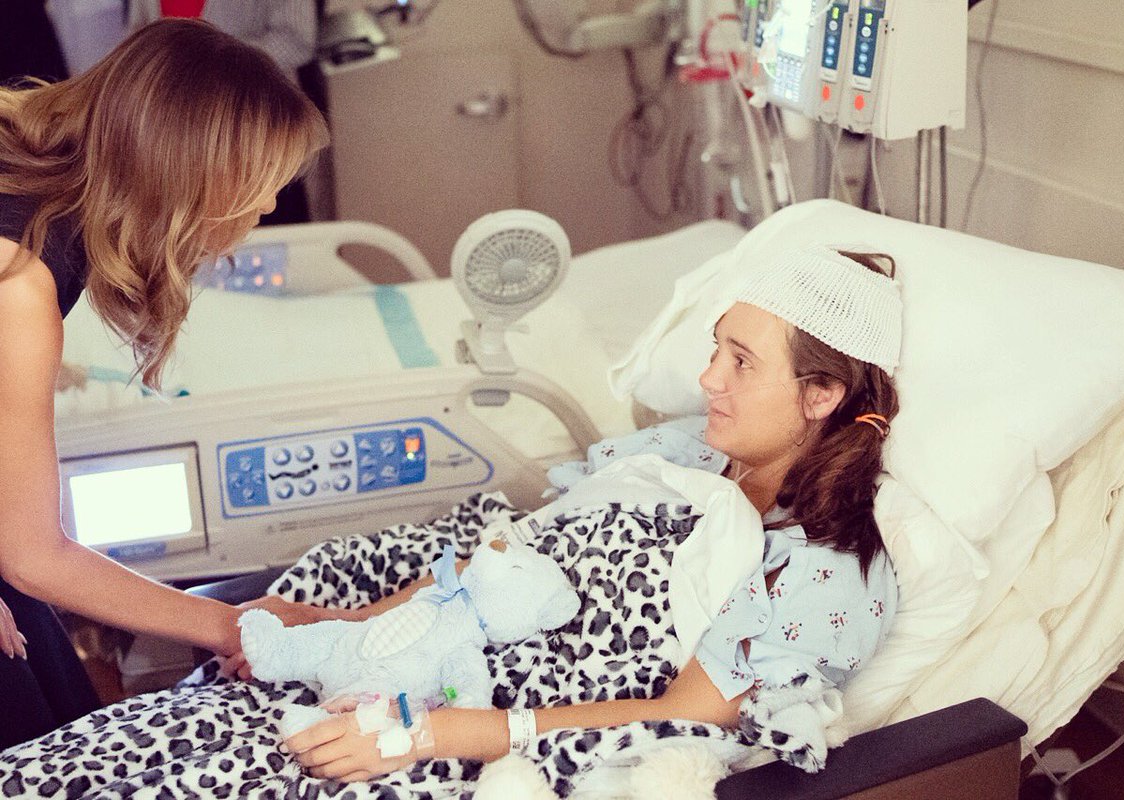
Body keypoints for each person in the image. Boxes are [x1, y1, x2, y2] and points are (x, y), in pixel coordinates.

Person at [283, 246, 904, 780]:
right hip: (430, 668)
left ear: (822, 393)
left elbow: (680, 716)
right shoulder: (680, 452)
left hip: (499, 745)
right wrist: (339, 626)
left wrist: (432, 734)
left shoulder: (821, 568)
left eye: (741, 362)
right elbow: (513, 560)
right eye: (716, 349)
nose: (708, 378)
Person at [0, 18, 335, 750]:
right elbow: (31, 555)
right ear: (191, 176)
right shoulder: (19, 281)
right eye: (260, 187)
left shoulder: (31, 158)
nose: (267, 209)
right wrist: (235, 624)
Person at [126, 0, 320, 226]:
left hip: (254, 125)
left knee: (271, 223)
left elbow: (296, 40)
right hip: (181, 133)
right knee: (192, 225)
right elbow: (138, 34)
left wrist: (212, 69)